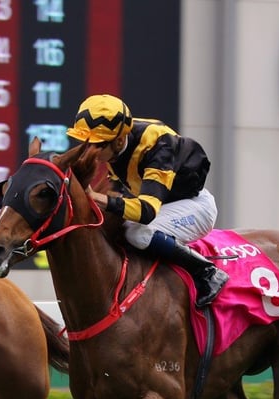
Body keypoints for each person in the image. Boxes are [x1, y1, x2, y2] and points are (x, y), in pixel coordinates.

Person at [66, 94, 229, 307]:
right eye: (85, 143)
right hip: (165, 206)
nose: (89, 151)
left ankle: (207, 271)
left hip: (194, 207)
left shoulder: (156, 144)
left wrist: (95, 197)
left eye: (96, 145)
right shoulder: (115, 145)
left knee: (138, 233)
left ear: (119, 140)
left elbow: (147, 212)